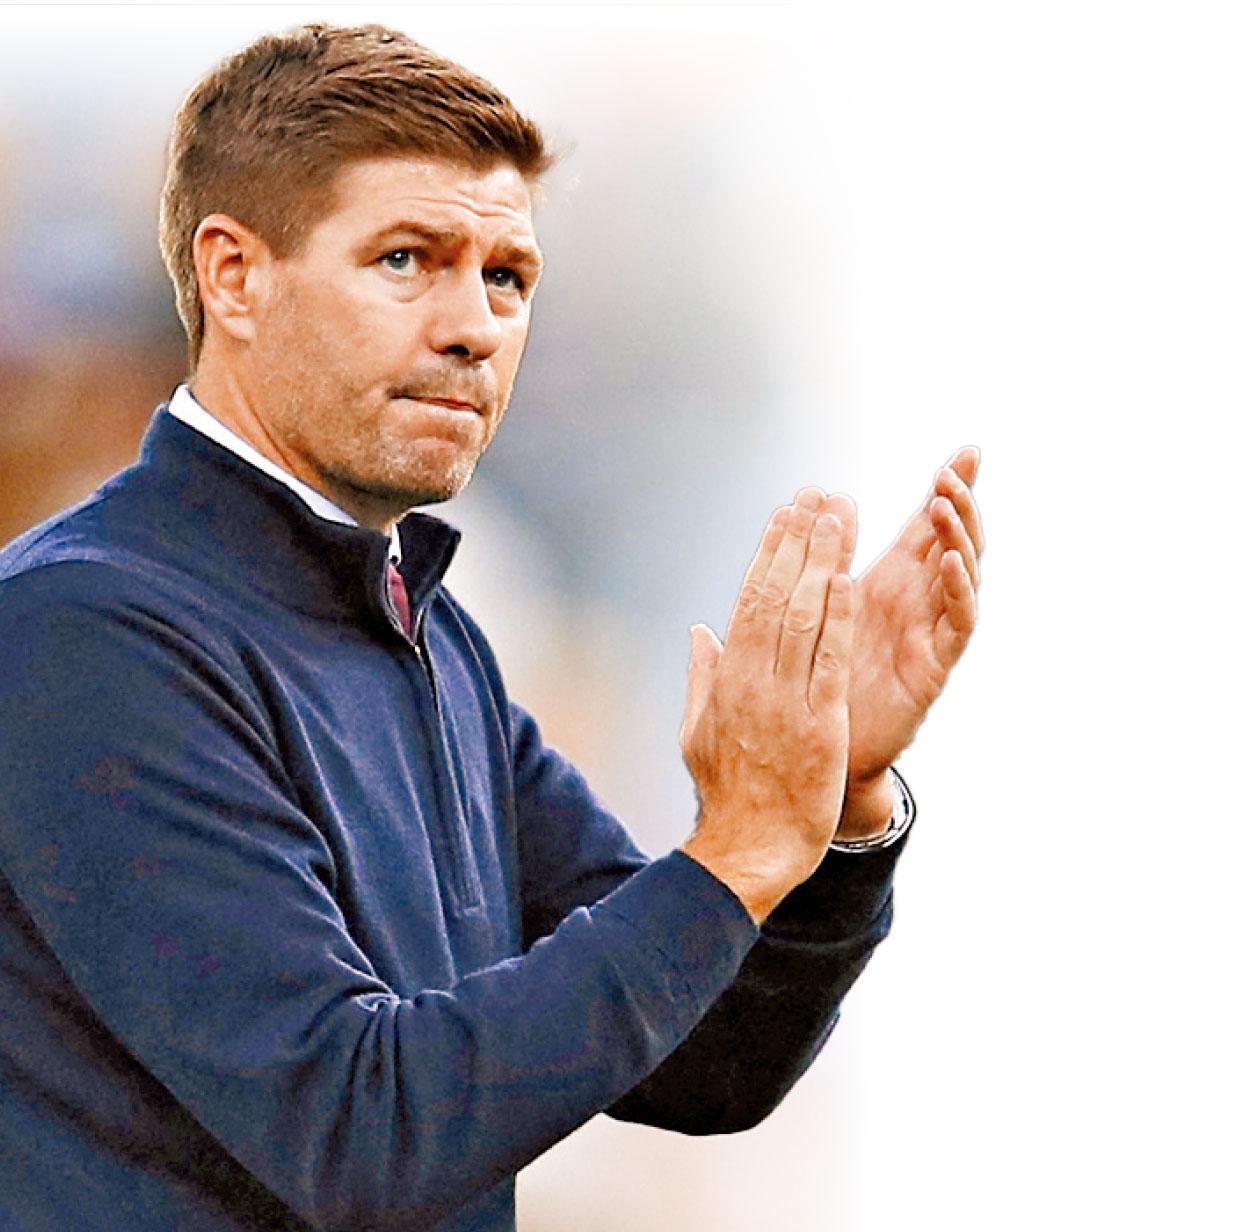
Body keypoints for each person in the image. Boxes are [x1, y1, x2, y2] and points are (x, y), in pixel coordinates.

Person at [0, 23, 984, 1232]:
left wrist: (829, 806)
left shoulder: (427, 633)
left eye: (506, 276)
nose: (473, 325)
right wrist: (732, 847)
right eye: (405, 259)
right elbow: (356, 1128)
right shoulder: (86, 633)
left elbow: (701, 1057)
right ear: (233, 275)